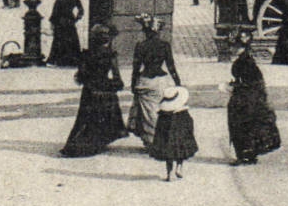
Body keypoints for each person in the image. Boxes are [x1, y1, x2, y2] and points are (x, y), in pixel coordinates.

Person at [60, 24, 127, 158]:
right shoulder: (111, 55)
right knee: (103, 114)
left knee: (84, 117)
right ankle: (99, 141)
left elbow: (81, 76)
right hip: (104, 88)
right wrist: (112, 85)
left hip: (90, 89)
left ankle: (78, 144)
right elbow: (117, 78)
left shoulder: (87, 54)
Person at [227, 29, 282, 165]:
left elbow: (251, 82)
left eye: (235, 46)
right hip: (250, 97)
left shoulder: (245, 61)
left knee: (241, 125)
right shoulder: (245, 59)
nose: (232, 49)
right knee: (247, 125)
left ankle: (245, 156)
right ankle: (248, 155)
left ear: (242, 47)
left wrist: (233, 87)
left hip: (246, 98)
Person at [129, 15, 182, 147]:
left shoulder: (140, 46)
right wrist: (177, 82)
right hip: (162, 82)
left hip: (146, 81)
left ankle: (151, 139)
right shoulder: (165, 45)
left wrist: (133, 83)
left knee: (148, 113)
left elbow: (136, 68)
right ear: (158, 31)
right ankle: (162, 138)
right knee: (162, 109)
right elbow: (171, 66)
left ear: (146, 31)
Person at [150, 85, 198, 182]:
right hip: (180, 136)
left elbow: (159, 128)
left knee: (169, 154)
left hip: (167, 138)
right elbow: (189, 123)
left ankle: (169, 173)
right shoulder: (183, 112)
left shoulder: (163, 114)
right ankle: (179, 166)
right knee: (181, 150)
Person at [47, 0, 84, 66]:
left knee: (60, 41)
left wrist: (53, 21)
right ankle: (71, 59)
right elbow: (81, 9)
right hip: (69, 21)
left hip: (61, 21)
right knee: (70, 41)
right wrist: (77, 18)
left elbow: (55, 10)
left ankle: (60, 59)